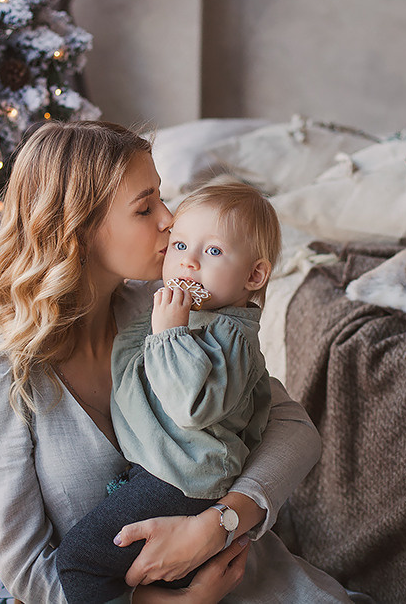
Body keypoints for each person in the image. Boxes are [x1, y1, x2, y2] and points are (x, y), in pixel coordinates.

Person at [0, 120, 368, 603]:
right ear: (80, 229)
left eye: (162, 198)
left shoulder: (163, 311)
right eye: (145, 207)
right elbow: (30, 574)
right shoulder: (2, 378)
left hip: (250, 577)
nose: (169, 220)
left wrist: (220, 524)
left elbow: (295, 429)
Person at [56, 179, 281, 603]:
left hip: (183, 479)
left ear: (254, 274)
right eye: (180, 245)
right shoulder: (185, 312)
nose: (188, 263)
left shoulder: (226, 333)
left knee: (78, 562)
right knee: (146, 573)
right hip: (164, 471)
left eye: (212, 251)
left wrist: (169, 335)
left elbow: (190, 407)